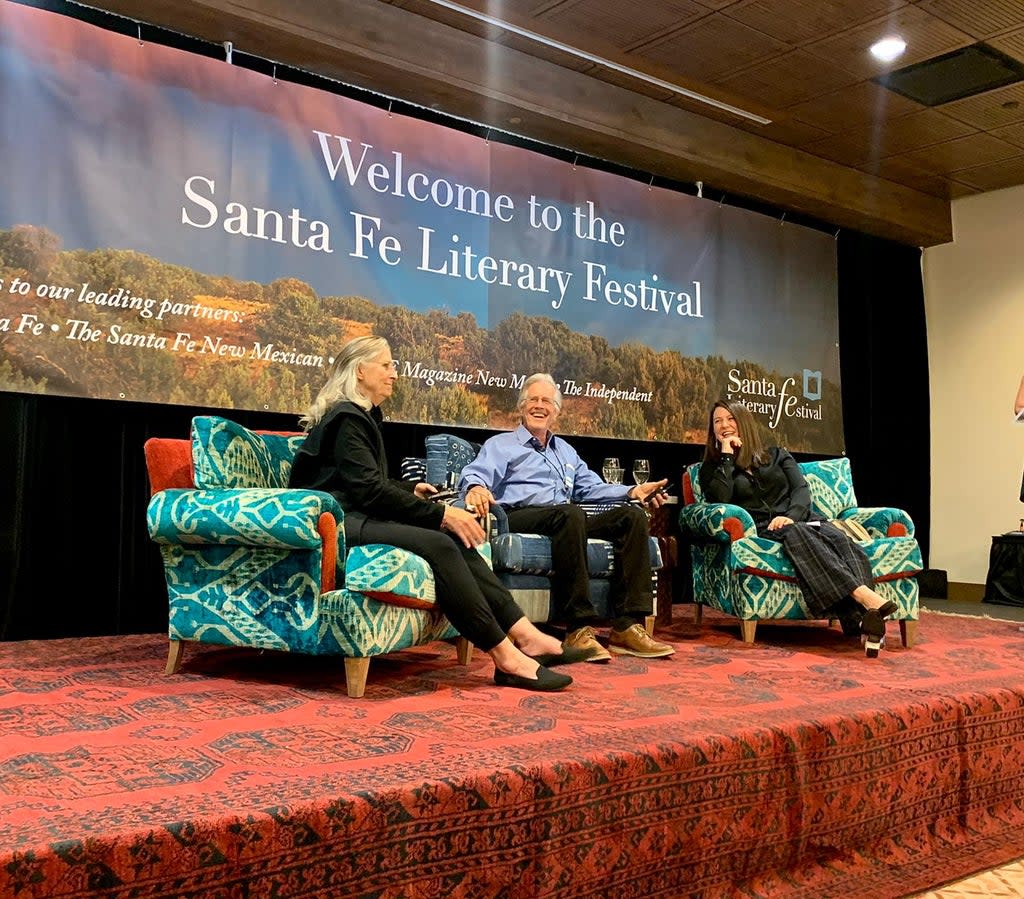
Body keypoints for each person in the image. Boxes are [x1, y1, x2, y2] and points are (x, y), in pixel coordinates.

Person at [288, 337, 598, 692]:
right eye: (386, 365)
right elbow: (365, 491)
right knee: (442, 541)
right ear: (361, 371)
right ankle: (506, 657)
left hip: (355, 512)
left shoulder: (361, 415)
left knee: (451, 538)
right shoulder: (347, 418)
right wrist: (443, 515)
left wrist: (409, 490)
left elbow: (360, 480)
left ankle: (525, 634)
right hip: (339, 524)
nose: (394, 373)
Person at [457, 373, 676, 661]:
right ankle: (578, 626)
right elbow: (475, 473)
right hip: (519, 515)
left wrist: (633, 490)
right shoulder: (502, 445)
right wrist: (475, 487)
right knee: (569, 513)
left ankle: (627, 626)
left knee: (630, 516)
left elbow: (592, 488)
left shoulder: (567, 452)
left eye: (546, 401)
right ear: (522, 407)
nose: (539, 405)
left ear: (556, 411)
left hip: (564, 519)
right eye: (532, 399)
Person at [698, 399, 897, 657]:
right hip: (763, 527)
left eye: (730, 419)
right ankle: (866, 598)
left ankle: (864, 624)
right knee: (798, 533)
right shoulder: (711, 470)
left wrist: (791, 516)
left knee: (839, 539)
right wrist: (726, 455)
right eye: (717, 421)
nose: (724, 425)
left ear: (743, 422)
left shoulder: (777, 455)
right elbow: (721, 500)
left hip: (801, 518)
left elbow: (801, 490)